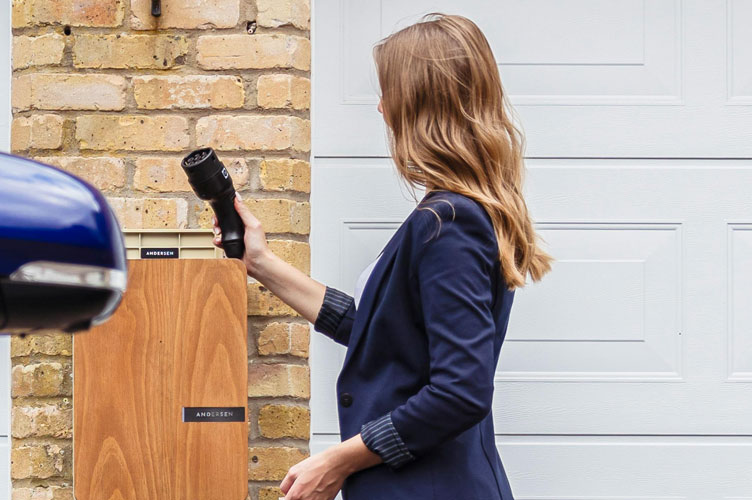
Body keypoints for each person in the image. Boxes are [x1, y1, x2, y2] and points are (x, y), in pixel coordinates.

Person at [221, 13, 552, 500]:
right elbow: (386, 335)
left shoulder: (448, 223)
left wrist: (338, 460)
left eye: (388, 93)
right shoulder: (453, 215)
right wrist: (261, 262)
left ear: (420, 103)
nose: (380, 108)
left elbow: (461, 392)